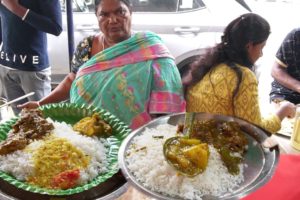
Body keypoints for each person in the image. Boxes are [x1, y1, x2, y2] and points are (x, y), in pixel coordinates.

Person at [20, 0, 185, 130]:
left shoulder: (150, 49)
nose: (113, 20)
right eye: (104, 15)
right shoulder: (87, 46)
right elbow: (71, 80)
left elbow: (167, 103)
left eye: (120, 12)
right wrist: (41, 104)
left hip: (136, 139)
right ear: (97, 18)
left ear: (131, 13)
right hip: (88, 132)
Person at [183, 13, 296, 134]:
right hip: (215, 146)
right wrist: (283, 111)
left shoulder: (209, 64)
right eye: (261, 47)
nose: (261, 54)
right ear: (249, 46)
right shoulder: (243, 76)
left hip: (193, 138)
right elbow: (256, 131)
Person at [0, 0, 63, 116]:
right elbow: (4, 20)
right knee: (19, 120)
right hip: (6, 64)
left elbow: (56, 27)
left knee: (43, 118)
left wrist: (16, 8)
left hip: (33, 68)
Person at [269, 28, 300, 105]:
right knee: (284, 113)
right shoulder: (296, 35)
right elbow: (276, 70)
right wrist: (298, 86)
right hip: (285, 92)